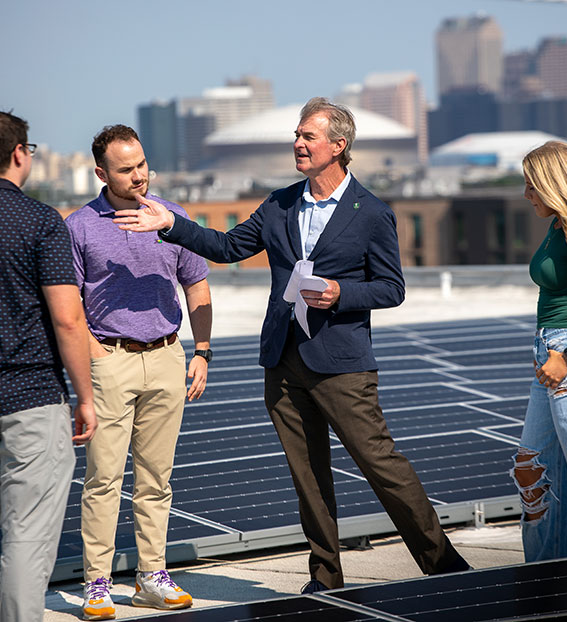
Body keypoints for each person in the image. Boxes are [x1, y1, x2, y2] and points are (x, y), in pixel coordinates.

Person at [114, 98, 470, 591]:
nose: (298, 143)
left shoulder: (372, 213)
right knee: (309, 479)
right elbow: (227, 247)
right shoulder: (280, 203)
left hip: (342, 365)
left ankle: (445, 568)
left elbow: (392, 288)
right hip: (283, 363)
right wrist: (171, 225)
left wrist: (341, 293)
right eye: (297, 135)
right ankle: (326, 577)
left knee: (382, 467)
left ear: (339, 146)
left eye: (309, 136)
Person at [66, 125, 212, 620]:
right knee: (104, 478)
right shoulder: (80, 226)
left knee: (157, 477)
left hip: (169, 356)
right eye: (127, 169)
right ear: (101, 173)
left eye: (143, 165)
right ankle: (97, 584)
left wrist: (202, 352)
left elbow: (197, 288)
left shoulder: (173, 218)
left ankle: (151, 576)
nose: (139, 176)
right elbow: (70, 306)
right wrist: (98, 357)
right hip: (112, 361)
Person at [0, 111, 97, 622]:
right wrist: (84, 397)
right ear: (20, 153)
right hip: (29, 398)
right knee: (26, 533)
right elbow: (67, 319)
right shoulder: (39, 222)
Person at [512, 140, 567, 562]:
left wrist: (566, 357)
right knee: (533, 472)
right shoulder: (558, 225)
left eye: (532, 185)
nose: (526, 194)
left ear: (555, 184)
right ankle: (545, 581)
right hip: (551, 355)